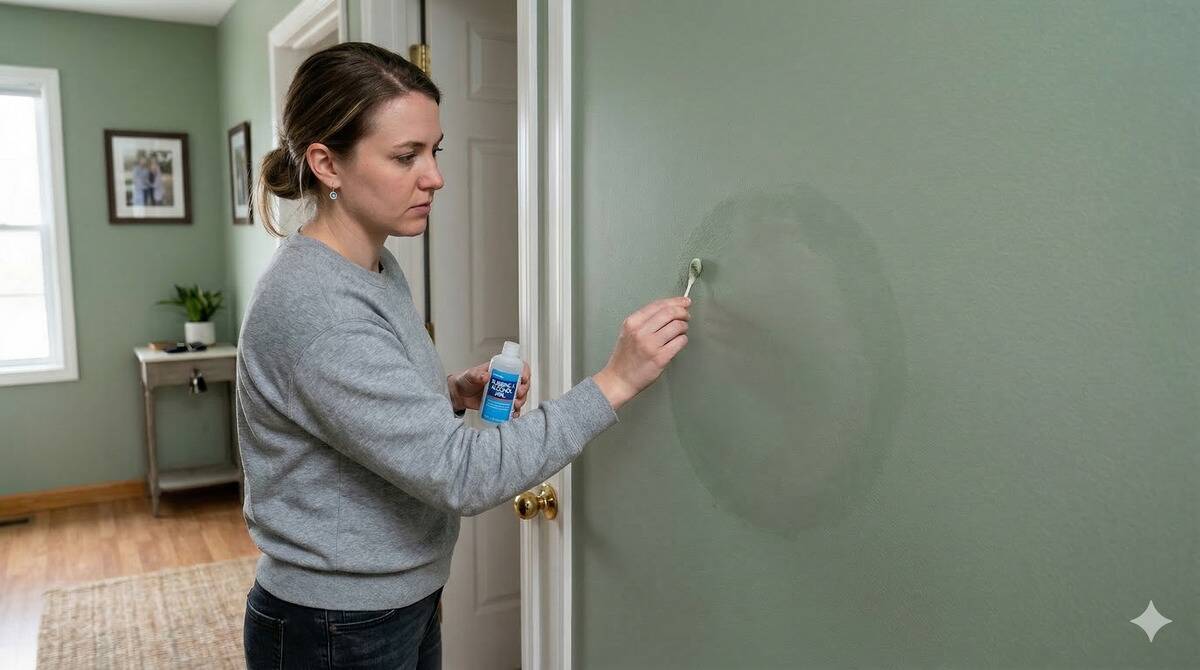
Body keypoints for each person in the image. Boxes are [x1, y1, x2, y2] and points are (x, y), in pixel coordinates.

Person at [237, 42, 690, 670]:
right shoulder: (315, 305)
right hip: (337, 625)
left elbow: (341, 412)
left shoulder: (372, 265)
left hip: (396, 599)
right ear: (326, 164)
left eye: (434, 150)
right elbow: (461, 475)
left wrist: (447, 394)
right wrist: (614, 381)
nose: (435, 176)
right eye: (405, 156)